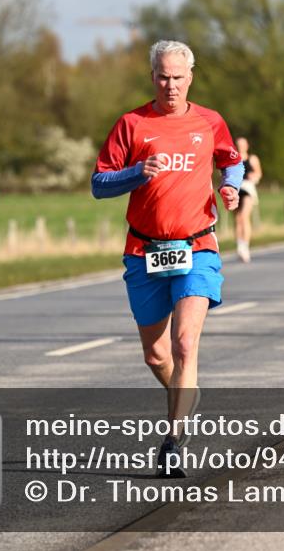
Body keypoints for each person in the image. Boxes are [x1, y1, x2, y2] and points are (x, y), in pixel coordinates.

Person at [91, 40, 243, 478]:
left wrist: (231, 186)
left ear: (190, 77)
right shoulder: (132, 124)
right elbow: (99, 183)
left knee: (184, 343)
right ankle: (185, 392)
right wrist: (136, 173)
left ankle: (173, 441)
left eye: (178, 77)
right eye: (163, 77)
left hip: (197, 246)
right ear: (152, 76)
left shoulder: (210, 121)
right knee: (157, 356)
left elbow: (232, 162)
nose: (170, 85)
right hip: (145, 252)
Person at [234, 137, 262, 263]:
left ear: (247, 146)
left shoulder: (252, 159)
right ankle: (240, 245)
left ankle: (245, 246)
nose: (241, 147)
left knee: (244, 216)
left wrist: (254, 176)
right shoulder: (233, 159)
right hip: (236, 188)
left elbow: (259, 173)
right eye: (239, 145)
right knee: (237, 219)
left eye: (243, 144)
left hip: (248, 188)